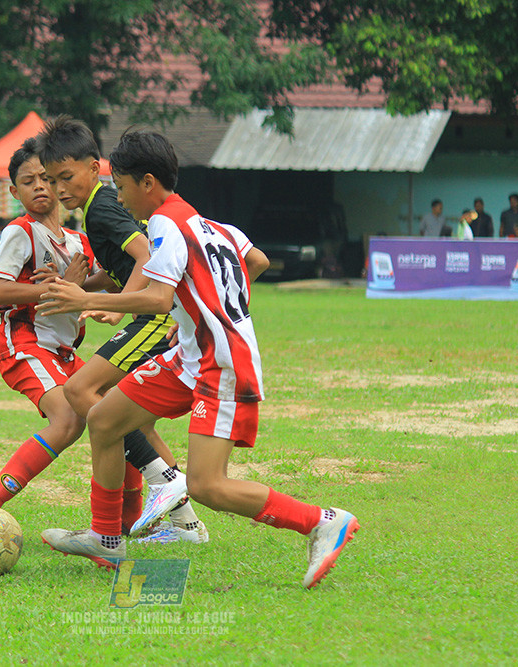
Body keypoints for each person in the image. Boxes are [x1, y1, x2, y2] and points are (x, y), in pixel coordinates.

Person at [37, 129, 360, 589]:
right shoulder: (212, 224)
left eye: (123, 187)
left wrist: (80, 298)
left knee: (208, 485)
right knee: (105, 419)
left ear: (147, 183)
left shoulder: (167, 224)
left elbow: (157, 297)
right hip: (192, 357)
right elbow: (258, 261)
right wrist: (208, 309)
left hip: (221, 365)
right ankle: (106, 539)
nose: (120, 198)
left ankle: (323, 520)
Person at [37, 115, 208, 542]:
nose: (59, 189)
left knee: (79, 392)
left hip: (156, 318)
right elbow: (122, 268)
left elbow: (144, 254)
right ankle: (187, 525)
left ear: (96, 168)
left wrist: (110, 307)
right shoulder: (99, 209)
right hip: (153, 315)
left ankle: (164, 483)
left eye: (66, 177)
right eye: (51, 180)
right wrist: (81, 286)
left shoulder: (102, 205)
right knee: (132, 418)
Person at [0, 138, 98, 519]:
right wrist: (55, 287)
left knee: (113, 412)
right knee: (68, 419)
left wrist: (83, 290)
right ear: (15, 192)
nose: (38, 186)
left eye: (44, 178)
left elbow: (105, 285)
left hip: (64, 352)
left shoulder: (79, 241)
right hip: (25, 343)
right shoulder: (21, 231)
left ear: (58, 183)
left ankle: (128, 520)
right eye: (28, 180)